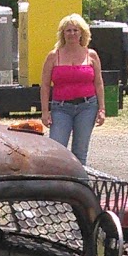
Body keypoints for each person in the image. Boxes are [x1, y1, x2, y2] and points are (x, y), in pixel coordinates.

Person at [39, 13, 106, 165]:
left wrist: (102, 109)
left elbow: (99, 83)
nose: (72, 34)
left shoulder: (91, 55)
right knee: (57, 150)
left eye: (76, 30)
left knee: (80, 152)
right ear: (63, 33)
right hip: (61, 108)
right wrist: (45, 111)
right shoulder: (53, 56)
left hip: (87, 107)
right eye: (68, 30)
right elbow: (45, 85)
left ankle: (79, 179)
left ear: (82, 33)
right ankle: (57, 180)